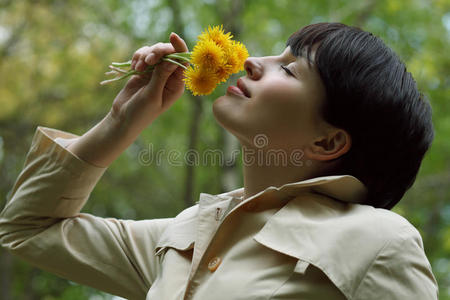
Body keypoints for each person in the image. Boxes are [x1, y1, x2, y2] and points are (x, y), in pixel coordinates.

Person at [0, 23, 438, 299]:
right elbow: (28, 228)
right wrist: (120, 121)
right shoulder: (186, 235)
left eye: (289, 69)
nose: (250, 61)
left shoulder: (379, 242)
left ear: (328, 143)